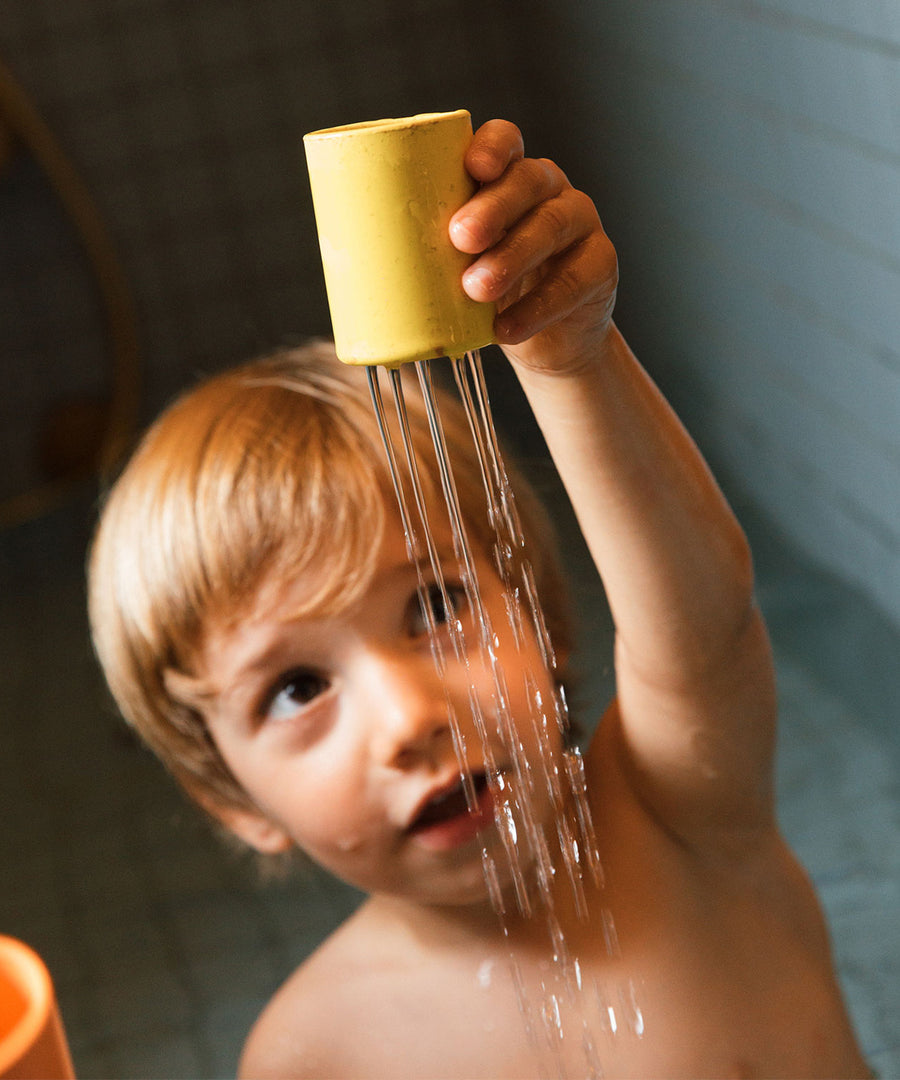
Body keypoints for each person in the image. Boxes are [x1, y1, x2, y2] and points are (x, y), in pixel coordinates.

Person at [88, 119, 869, 1079]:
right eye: (295, 689)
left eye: (433, 606)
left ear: (538, 621)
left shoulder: (685, 817)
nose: (411, 715)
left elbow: (702, 620)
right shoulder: (313, 1057)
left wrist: (570, 359)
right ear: (227, 795)